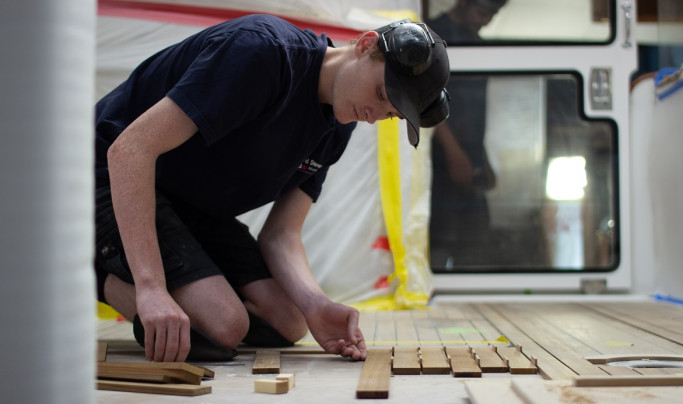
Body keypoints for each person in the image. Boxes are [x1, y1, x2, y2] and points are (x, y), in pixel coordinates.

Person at [94, 14, 450, 362]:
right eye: (380, 93)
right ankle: (83, 267)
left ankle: (193, 294)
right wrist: (152, 289)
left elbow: (281, 235)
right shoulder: (262, 53)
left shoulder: (337, 128)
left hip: (189, 205)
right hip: (107, 177)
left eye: (390, 114)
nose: (374, 114)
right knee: (222, 325)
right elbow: (130, 151)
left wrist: (318, 304)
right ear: (365, 45)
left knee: (291, 321)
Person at [426, 0, 506, 268]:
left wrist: (482, 158)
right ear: (464, 3)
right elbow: (425, 97)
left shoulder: (477, 44)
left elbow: (472, 113)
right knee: (439, 238)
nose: (485, 21)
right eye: (482, 12)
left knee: (476, 240)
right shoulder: (432, 34)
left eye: (492, 15)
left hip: (470, 157)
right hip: (439, 156)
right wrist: (452, 151)